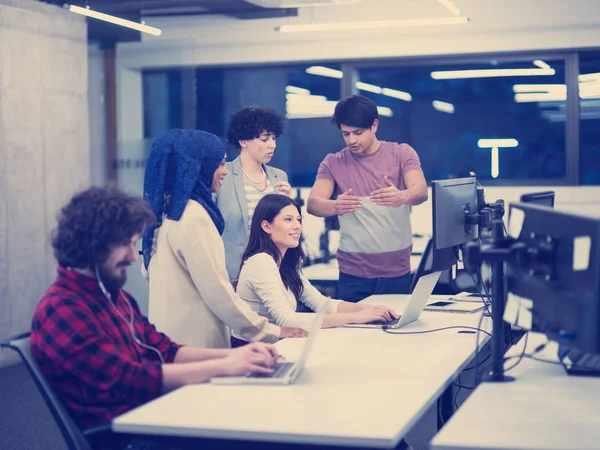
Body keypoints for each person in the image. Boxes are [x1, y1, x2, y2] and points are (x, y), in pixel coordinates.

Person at [30, 186, 280, 449]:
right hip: (130, 436)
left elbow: (164, 349)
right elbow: (130, 379)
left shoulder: (114, 297)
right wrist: (224, 367)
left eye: (132, 243)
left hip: (158, 414)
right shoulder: (61, 309)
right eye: (123, 243)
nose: (130, 255)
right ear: (91, 243)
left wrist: (240, 355)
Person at [142, 129, 306, 349]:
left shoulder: (165, 214)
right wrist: (271, 332)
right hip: (197, 343)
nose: (224, 172)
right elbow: (219, 293)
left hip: (170, 341)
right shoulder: (194, 218)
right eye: (219, 164)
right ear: (197, 168)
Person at [307, 95, 428, 303]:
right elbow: (313, 204)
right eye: (345, 134)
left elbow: (421, 191)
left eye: (358, 133)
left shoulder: (401, 154)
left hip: (397, 272)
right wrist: (336, 205)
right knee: (355, 334)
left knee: (397, 333)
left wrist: (402, 196)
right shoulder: (333, 163)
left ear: (374, 125)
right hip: (353, 275)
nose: (351, 140)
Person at [234, 194, 399, 340]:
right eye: (288, 219)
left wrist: (372, 310)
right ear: (266, 226)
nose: (297, 226)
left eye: (298, 220)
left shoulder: (285, 264)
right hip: (252, 350)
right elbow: (287, 320)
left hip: (279, 345)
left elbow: (322, 304)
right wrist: (356, 316)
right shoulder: (260, 261)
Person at [217, 107, 292, 283]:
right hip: (235, 274)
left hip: (275, 272)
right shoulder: (222, 175)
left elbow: (288, 228)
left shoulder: (279, 177)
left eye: (273, 138)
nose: (272, 145)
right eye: (265, 139)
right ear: (243, 141)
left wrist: (288, 204)